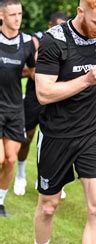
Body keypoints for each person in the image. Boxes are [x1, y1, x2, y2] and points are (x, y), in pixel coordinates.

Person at [33, 0, 96, 244]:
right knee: (48, 206)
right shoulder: (54, 40)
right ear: (79, 11)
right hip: (56, 135)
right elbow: (44, 94)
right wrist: (85, 80)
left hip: (92, 134)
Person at [13, 12, 67, 198]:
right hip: (34, 96)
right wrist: (39, 74)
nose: (59, 29)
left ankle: (48, 178)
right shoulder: (37, 40)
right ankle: (20, 173)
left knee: (53, 139)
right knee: (27, 136)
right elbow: (28, 69)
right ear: (49, 24)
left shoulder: (69, 42)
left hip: (58, 96)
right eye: (56, 25)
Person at [0, 0, 36, 217]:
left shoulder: (28, 42)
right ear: (1, 15)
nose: (17, 18)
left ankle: (0, 202)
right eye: (13, 14)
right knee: (0, 158)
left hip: (15, 108)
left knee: (11, 159)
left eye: (20, 14)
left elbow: (33, 71)